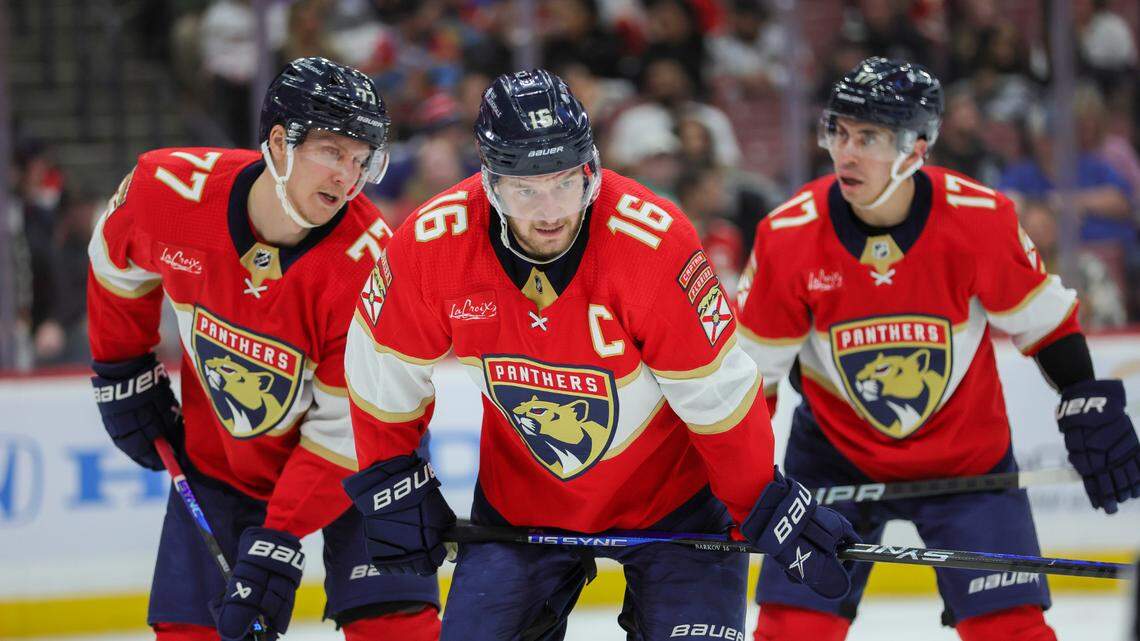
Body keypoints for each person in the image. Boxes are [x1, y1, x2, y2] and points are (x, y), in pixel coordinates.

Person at [339, 68, 857, 641]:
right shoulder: (434, 244)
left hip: (674, 507)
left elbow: (718, 393)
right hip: (523, 507)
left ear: (590, 167)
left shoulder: (652, 245)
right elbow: (382, 366)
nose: (549, 209)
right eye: (524, 188)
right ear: (489, 182)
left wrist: (759, 496)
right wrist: (392, 477)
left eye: (564, 181)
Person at [736, 56, 1140, 641]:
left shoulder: (978, 218)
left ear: (917, 145)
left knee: (1012, 632)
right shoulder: (788, 235)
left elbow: (1043, 323)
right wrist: (739, 477)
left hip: (966, 464)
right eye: (839, 132)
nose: (846, 153)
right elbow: (756, 379)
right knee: (792, 631)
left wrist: (1083, 394)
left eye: (868, 137)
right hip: (834, 465)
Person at [86, 57, 440, 641]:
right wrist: (121, 364)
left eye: (362, 159)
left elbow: (345, 432)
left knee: (394, 628)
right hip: (226, 453)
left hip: (364, 456)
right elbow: (115, 260)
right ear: (278, 142)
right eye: (333, 150)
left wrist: (279, 537)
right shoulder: (169, 192)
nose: (347, 178)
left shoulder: (374, 267)